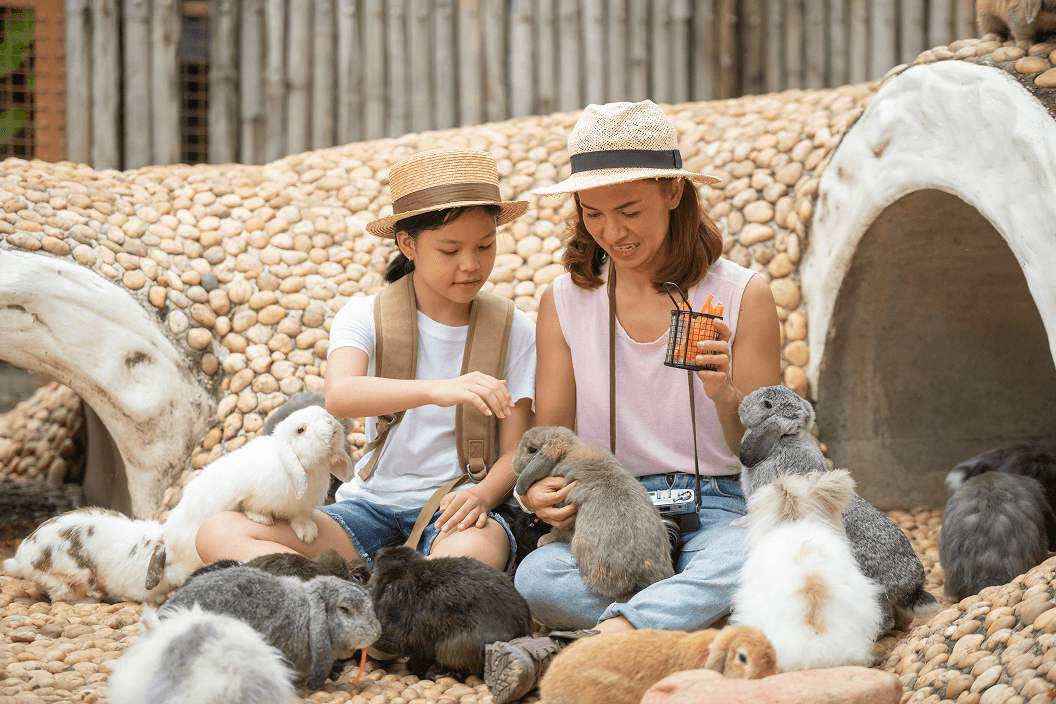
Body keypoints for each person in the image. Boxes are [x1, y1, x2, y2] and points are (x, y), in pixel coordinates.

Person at [483, 101, 782, 703]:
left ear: (673, 192)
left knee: (750, 556)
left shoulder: (744, 293)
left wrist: (722, 390)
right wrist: (535, 492)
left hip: (719, 504)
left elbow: (765, 450)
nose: (612, 233)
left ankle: (596, 642)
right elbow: (554, 437)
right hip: (608, 505)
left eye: (629, 210)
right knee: (539, 576)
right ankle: (681, 623)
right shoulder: (564, 300)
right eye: (592, 213)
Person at [195, 148, 536, 573]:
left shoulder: (514, 329)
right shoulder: (364, 316)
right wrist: (439, 389)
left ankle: (354, 595)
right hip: (366, 513)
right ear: (407, 243)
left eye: (485, 245)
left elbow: (516, 452)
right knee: (217, 532)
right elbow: (341, 395)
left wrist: (482, 497)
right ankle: (351, 600)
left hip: (457, 513)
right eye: (450, 250)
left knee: (476, 554)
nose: (471, 264)